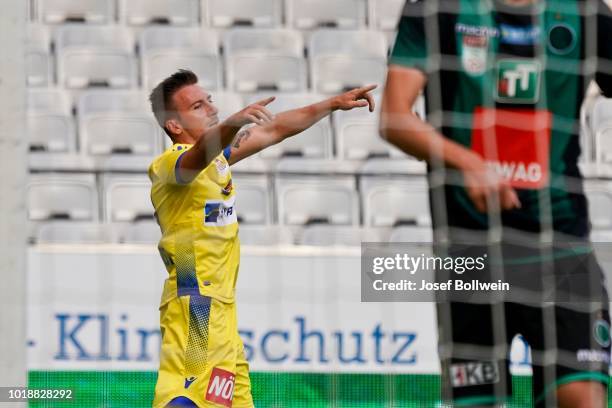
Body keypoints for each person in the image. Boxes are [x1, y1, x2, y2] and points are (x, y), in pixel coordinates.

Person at [380, 0, 612, 407]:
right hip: (470, 252)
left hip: (560, 246)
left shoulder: (583, 10)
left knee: (581, 398)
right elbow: (395, 118)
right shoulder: (437, 8)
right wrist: (467, 161)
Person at [147, 69, 376, 408]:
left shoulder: (218, 161)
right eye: (197, 106)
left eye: (209, 101)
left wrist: (332, 103)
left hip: (222, 309)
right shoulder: (170, 165)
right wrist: (233, 124)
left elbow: (275, 128)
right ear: (174, 126)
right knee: (184, 397)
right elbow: (193, 160)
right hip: (195, 306)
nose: (210, 108)